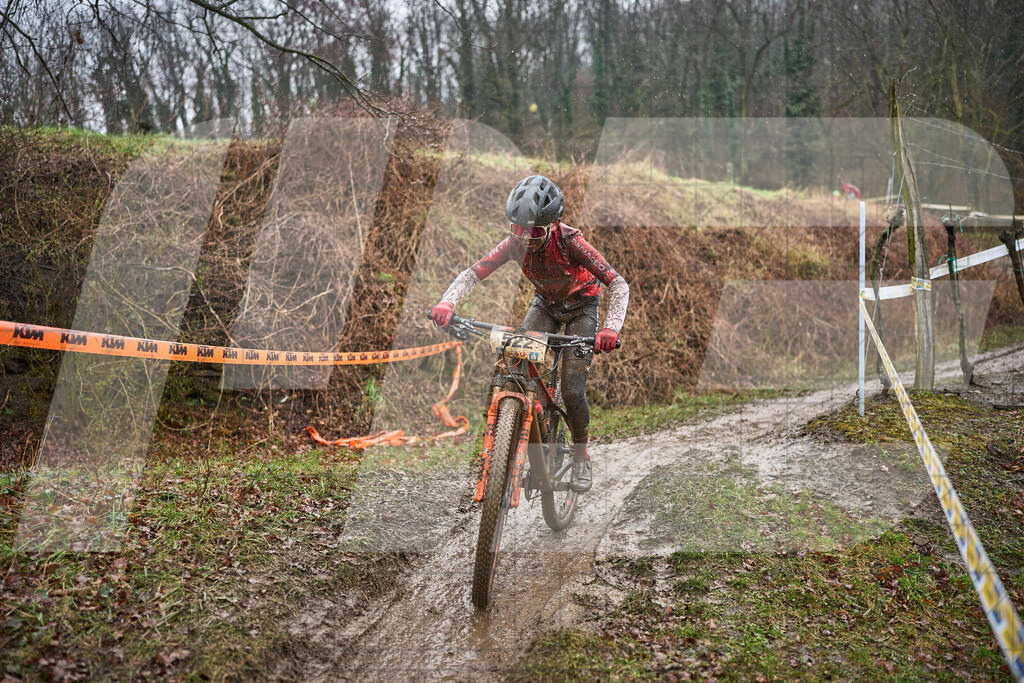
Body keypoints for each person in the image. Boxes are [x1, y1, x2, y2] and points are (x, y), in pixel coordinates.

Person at [429, 175, 629, 493]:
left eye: (534, 232)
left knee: (573, 390)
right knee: (517, 367)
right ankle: (524, 417)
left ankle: (580, 457)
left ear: (551, 226)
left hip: (582, 308)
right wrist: (447, 301)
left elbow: (617, 283)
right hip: (546, 305)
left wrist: (610, 327)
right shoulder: (513, 245)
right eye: (517, 229)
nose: (525, 238)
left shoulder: (570, 241)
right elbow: (473, 273)